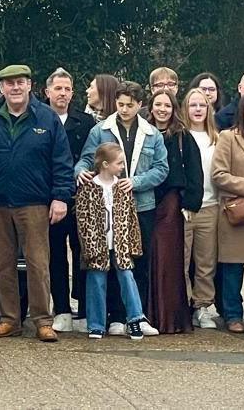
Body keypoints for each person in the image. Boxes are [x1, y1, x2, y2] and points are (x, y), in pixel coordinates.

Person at [0, 64, 73, 342]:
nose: (15, 88)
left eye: (20, 82)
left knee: (38, 264)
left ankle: (42, 321)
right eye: (9, 83)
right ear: (1, 88)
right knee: (2, 264)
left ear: (29, 86)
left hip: (35, 203)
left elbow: (62, 162)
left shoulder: (46, 118)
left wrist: (60, 197)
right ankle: (9, 319)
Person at [75, 81, 168, 337]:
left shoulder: (152, 134)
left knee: (137, 261)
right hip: (107, 205)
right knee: (108, 259)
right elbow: (85, 159)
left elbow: (161, 168)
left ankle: (136, 317)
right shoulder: (100, 130)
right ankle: (115, 317)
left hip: (141, 205)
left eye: (130, 105)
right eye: (120, 104)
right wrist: (80, 172)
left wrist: (136, 182)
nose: (124, 109)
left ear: (140, 105)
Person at [42, 67, 96, 333]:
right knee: (54, 256)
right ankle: (61, 308)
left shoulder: (86, 122)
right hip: (47, 198)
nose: (62, 93)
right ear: (47, 91)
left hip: (80, 199)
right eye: (58, 88)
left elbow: (93, 158)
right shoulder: (37, 117)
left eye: (67, 89)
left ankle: (85, 309)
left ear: (72, 93)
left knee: (83, 254)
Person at [75, 142, 146, 340]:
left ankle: (134, 319)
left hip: (120, 243)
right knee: (96, 281)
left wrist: (134, 244)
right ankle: (96, 324)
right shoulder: (88, 187)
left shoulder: (123, 187)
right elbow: (82, 218)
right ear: (105, 164)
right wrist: (88, 246)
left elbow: (132, 218)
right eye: (119, 163)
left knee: (127, 279)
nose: (122, 166)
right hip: (97, 244)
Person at [146, 90, 202, 334]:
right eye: (158, 104)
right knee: (146, 258)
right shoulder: (143, 132)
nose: (162, 109)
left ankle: (169, 318)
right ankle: (146, 315)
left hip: (170, 204)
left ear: (173, 108)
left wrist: (191, 203)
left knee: (168, 259)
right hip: (144, 199)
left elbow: (194, 170)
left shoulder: (182, 135)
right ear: (151, 106)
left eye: (167, 105)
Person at [211, 91, 244, 334]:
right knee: (232, 270)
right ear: (242, 110)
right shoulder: (228, 137)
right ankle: (232, 314)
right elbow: (219, 175)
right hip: (236, 212)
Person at [182, 89, 221, 329]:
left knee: (206, 262)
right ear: (185, 109)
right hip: (186, 208)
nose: (197, 109)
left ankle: (203, 306)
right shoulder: (180, 136)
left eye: (202, 105)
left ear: (209, 109)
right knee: (182, 260)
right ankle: (183, 304)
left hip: (211, 206)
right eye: (193, 105)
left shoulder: (217, 138)